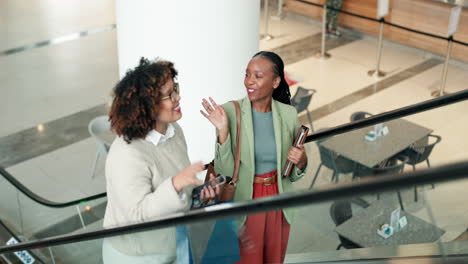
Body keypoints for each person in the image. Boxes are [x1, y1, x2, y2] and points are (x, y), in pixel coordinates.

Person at [102, 57, 217, 264]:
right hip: (138, 256)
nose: (177, 98)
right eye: (168, 95)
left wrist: (198, 195)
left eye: (176, 89)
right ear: (147, 106)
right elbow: (135, 214)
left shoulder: (174, 132)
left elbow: (176, 193)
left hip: (174, 244)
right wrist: (175, 184)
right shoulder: (127, 153)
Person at [200, 51, 308, 264]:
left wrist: (301, 160)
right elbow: (225, 173)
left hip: (278, 199)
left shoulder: (287, 115)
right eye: (247, 74)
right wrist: (223, 131)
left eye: (258, 76)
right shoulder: (230, 112)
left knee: (273, 259)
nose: (249, 81)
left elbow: (293, 176)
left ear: (276, 81)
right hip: (246, 199)